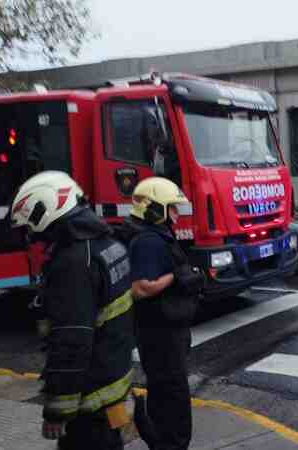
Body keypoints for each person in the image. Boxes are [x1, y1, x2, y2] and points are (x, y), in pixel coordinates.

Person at [9, 171, 134, 449]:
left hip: (88, 402)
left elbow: (72, 342)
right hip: (112, 385)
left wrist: (57, 411)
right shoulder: (109, 243)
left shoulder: (73, 262)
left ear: (47, 211)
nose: (32, 235)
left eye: (31, 225)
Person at [122, 177, 198, 450]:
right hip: (160, 333)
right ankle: (169, 443)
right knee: (171, 392)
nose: (177, 214)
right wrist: (176, 277)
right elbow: (141, 288)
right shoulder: (147, 242)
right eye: (172, 208)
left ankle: (164, 439)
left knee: (169, 390)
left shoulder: (157, 236)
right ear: (155, 209)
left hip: (168, 331)